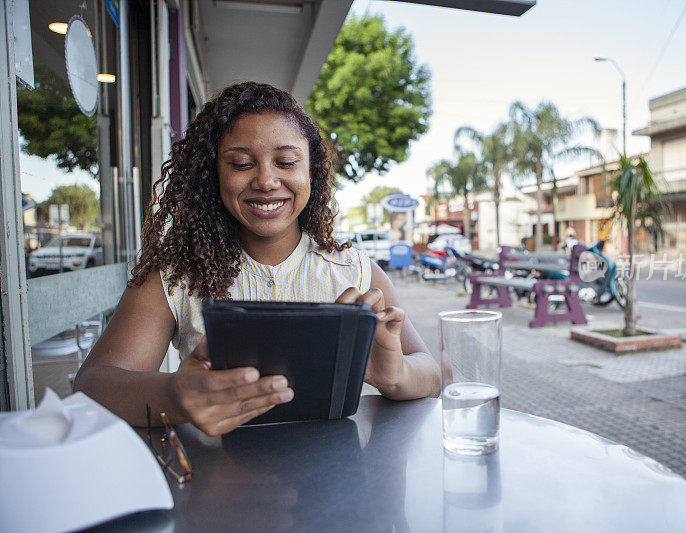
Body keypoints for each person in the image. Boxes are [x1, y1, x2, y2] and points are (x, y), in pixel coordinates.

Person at [74, 82, 440, 436]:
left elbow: (432, 374)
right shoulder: (175, 276)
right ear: (212, 174)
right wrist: (176, 396)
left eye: (285, 161)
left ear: (310, 171)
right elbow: (92, 385)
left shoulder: (355, 270)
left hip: (338, 476)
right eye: (242, 164)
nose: (266, 180)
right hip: (220, 482)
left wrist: (393, 374)